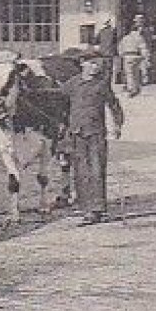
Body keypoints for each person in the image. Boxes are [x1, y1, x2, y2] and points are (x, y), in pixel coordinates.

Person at [62, 47, 123, 224]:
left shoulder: (102, 84)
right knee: (81, 171)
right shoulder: (72, 84)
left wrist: (117, 124)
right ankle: (85, 207)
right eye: (92, 63)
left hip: (96, 133)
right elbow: (59, 99)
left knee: (96, 169)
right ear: (83, 64)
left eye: (98, 64)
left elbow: (113, 104)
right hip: (76, 133)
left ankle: (97, 209)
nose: (96, 67)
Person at [117, 15, 149, 97]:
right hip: (137, 56)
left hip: (127, 56)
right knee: (136, 73)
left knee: (129, 73)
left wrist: (122, 56)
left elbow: (120, 48)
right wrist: (145, 58)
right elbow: (143, 48)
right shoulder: (139, 37)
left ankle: (131, 89)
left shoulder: (125, 38)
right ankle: (137, 88)